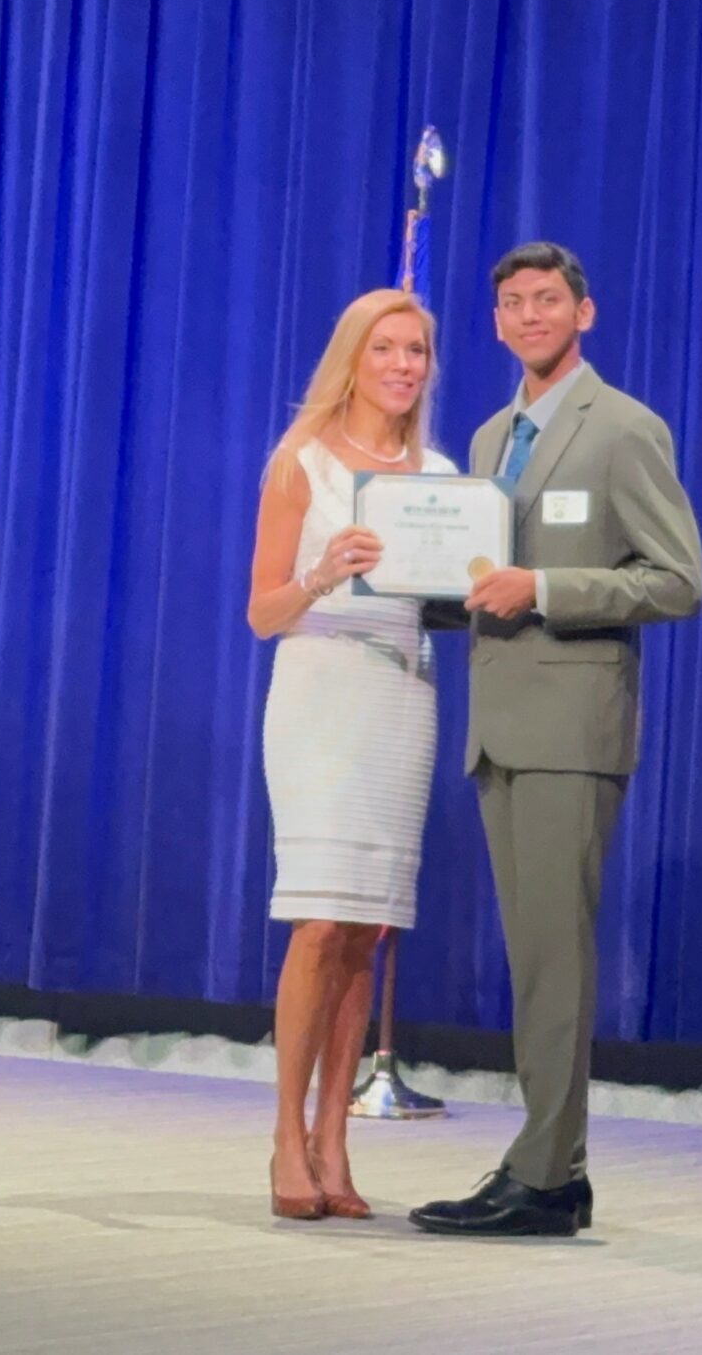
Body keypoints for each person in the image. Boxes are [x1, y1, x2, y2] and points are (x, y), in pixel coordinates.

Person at [409, 242, 702, 1239]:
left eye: (547, 299)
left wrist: (546, 589)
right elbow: (478, 581)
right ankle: (545, 1166)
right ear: (495, 323)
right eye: (511, 303)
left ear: (585, 313)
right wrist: (397, 575)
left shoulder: (624, 429)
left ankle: (546, 1175)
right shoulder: (495, 434)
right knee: (533, 957)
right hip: (499, 726)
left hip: (573, 728)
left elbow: (677, 580)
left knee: (554, 961)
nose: (529, 314)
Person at [246, 288, 456, 1221]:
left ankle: (337, 1140)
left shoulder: (441, 476)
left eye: (417, 351)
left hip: (402, 696)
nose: (405, 366)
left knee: (367, 928)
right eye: (387, 350)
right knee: (320, 924)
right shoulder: (302, 463)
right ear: (353, 359)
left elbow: (449, 596)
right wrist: (325, 570)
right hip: (321, 689)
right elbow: (260, 613)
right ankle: (286, 1139)